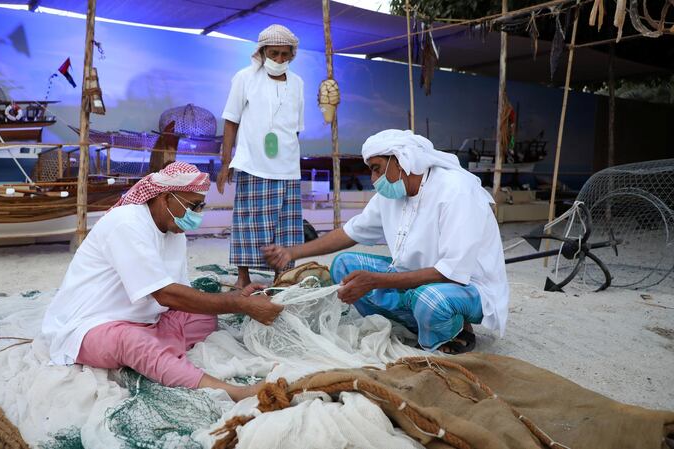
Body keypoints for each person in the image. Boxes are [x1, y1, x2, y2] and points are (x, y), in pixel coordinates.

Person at [42, 162, 283, 401]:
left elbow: (180, 295)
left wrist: (237, 299)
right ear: (166, 198)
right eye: (193, 206)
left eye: (201, 207)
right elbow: (165, 295)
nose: (197, 215)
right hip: (92, 325)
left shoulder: (173, 230)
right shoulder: (127, 223)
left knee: (204, 316)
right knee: (133, 341)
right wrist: (236, 304)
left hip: (147, 320)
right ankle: (231, 391)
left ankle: (157, 355)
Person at [263, 130, 509, 354]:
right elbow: (350, 232)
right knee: (344, 266)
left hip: (466, 287)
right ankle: (413, 322)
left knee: (430, 300)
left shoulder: (456, 191)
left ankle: (455, 330)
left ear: (401, 160)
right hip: (413, 279)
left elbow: (452, 273)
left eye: (377, 168)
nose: (373, 178)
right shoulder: (391, 194)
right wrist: (291, 252)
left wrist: (376, 281)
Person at [216, 24, 305, 289]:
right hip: (252, 164)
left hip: (288, 167)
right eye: (274, 53)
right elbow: (231, 121)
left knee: (286, 226)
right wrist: (225, 163)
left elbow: (296, 129)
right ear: (262, 51)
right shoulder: (244, 77)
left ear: (292, 55)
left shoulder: (298, 83)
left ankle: (282, 276)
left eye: (284, 55)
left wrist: (290, 160)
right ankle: (243, 276)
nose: (279, 60)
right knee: (248, 221)